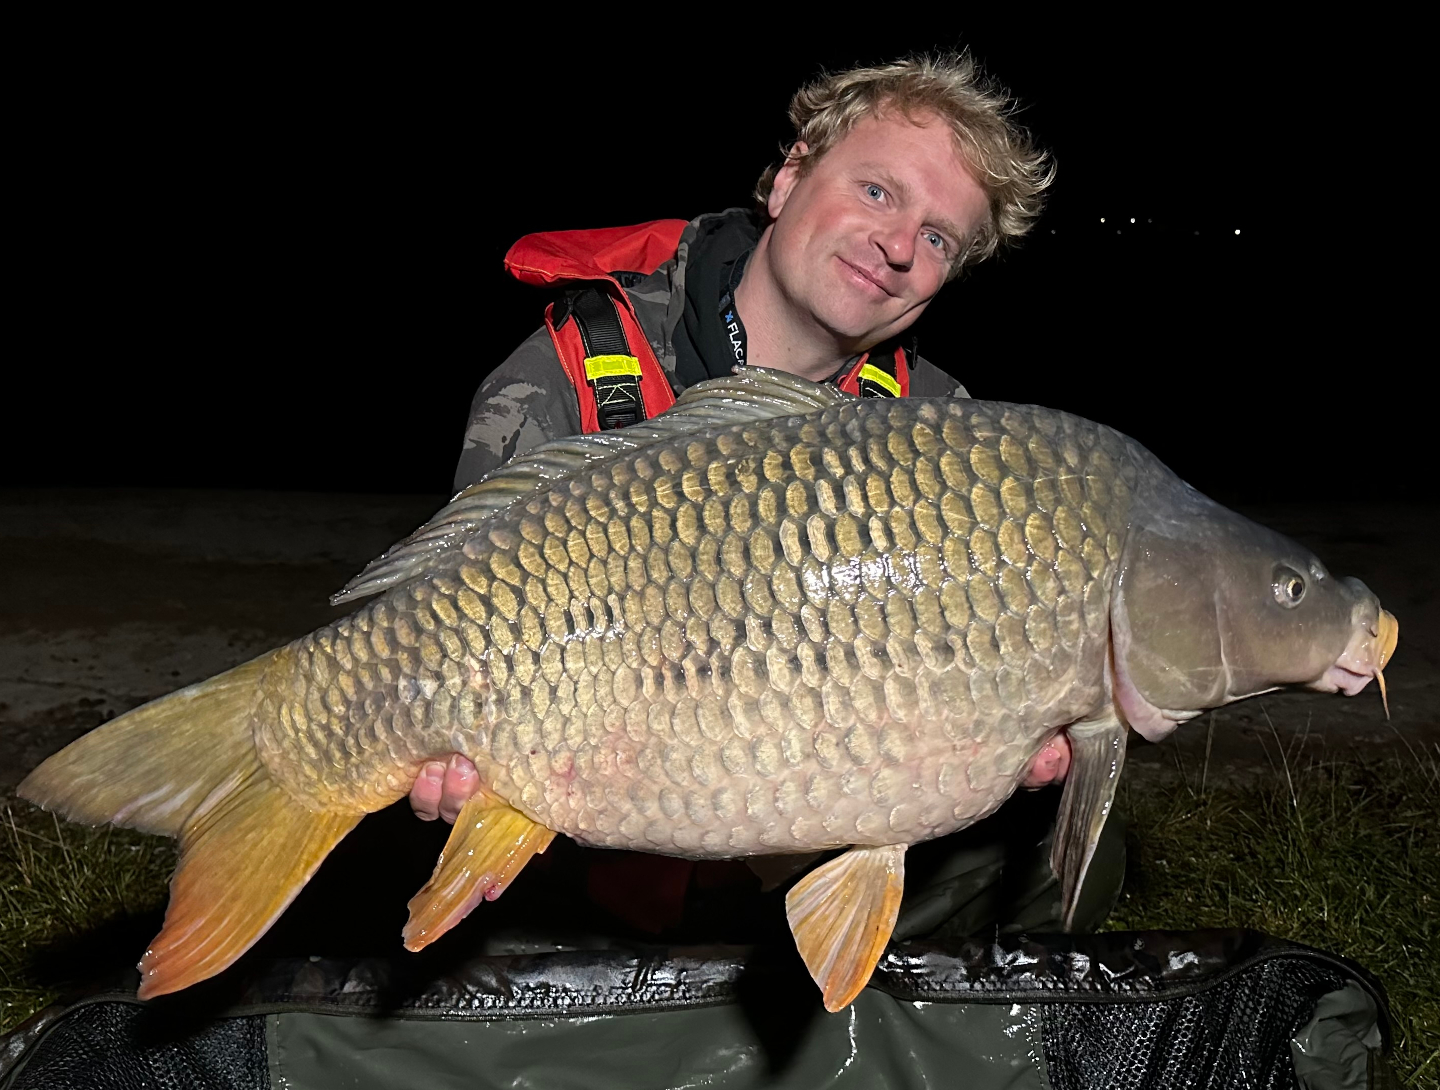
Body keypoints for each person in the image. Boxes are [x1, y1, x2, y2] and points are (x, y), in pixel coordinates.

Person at [410, 54, 1114, 934]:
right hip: (584, 836)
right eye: (878, 192)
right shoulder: (561, 381)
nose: (899, 245)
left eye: (938, 238)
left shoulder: (943, 435)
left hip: (810, 830)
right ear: (788, 179)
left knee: (1058, 843)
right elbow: (449, 626)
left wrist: (1010, 731)